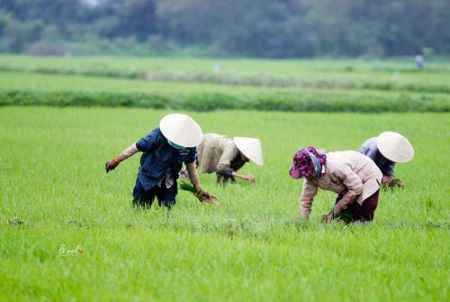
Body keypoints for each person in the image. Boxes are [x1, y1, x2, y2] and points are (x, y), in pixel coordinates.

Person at [105, 113, 216, 209]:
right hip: (148, 177)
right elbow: (136, 147)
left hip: (169, 181)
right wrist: (116, 160)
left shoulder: (189, 146)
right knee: (140, 207)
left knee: (167, 209)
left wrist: (198, 189)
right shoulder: (158, 135)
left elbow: (191, 168)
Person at [289, 146, 382, 224]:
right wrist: (303, 221)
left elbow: (357, 188)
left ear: (314, 167)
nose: (306, 177)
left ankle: (364, 225)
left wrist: (333, 213)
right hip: (348, 184)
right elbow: (306, 199)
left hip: (369, 176)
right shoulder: (311, 176)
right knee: (341, 219)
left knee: (363, 210)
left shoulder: (335, 167)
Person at [196, 133, 264, 184]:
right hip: (206, 144)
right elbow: (221, 168)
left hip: (214, 144)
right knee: (192, 166)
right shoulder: (232, 148)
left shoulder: (242, 159)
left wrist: (233, 182)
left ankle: (219, 188)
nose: (248, 159)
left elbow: (229, 171)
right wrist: (243, 177)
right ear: (243, 150)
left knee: (224, 176)